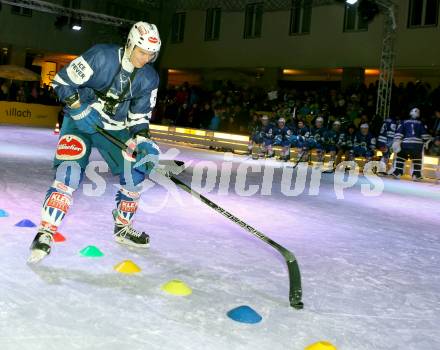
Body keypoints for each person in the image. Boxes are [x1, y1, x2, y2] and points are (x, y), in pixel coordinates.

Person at [28, 21, 162, 263]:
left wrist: (142, 141)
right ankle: (45, 232)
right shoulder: (101, 56)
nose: (146, 58)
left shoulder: (150, 78)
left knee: (136, 172)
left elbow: (139, 117)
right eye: (142, 52)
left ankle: (122, 227)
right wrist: (78, 108)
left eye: (151, 54)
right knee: (69, 173)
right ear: (130, 44)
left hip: (115, 127)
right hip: (80, 120)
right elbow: (61, 81)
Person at [391, 108, 430, 181]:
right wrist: (428, 140)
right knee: (417, 160)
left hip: (405, 144)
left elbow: (399, 133)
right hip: (417, 145)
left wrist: (397, 141)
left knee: (400, 157)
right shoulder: (421, 123)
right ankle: (416, 175)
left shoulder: (404, 122)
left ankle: (398, 172)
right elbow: (425, 135)